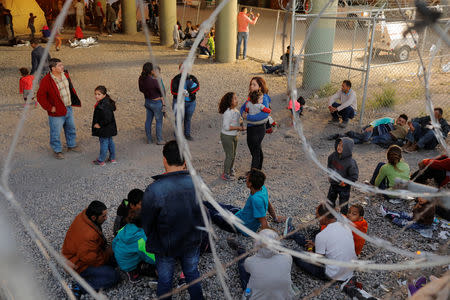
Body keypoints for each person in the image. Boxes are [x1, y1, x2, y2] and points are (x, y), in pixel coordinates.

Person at [141, 140, 204, 300]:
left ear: (164, 159)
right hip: (192, 239)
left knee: (165, 279)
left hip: (165, 245)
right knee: (191, 273)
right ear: (185, 162)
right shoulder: (197, 182)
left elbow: (147, 224)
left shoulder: (154, 189)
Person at [62, 201, 120, 298]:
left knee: (115, 259)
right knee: (113, 276)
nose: (106, 218)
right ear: (94, 217)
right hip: (76, 264)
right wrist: (108, 253)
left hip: (83, 254)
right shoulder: (88, 236)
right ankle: (77, 287)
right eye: (104, 216)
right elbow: (93, 260)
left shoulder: (85, 215)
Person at [286, 204, 357, 282]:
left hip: (333, 275)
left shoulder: (322, 236)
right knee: (313, 242)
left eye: (317, 216)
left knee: (296, 252)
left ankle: (284, 243)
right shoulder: (344, 223)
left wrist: (310, 249)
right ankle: (292, 234)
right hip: (349, 271)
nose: (317, 219)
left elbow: (316, 262)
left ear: (324, 217)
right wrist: (315, 245)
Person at [203, 168, 285, 235]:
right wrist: (275, 217)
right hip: (240, 214)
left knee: (210, 213)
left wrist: (276, 235)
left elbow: (264, 224)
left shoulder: (256, 200)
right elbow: (268, 204)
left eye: (247, 179)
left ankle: (195, 205)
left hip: (240, 226)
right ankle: (200, 202)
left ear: (250, 184)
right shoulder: (262, 188)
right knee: (215, 205)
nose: (245, 179)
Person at [226, 229, 295, 299]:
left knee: (244, 270)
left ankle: (241, 250)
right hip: (283, 297)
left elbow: (247, 271)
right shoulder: (287, 257)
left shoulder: (250, 261)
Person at [36, 58, 81, 159]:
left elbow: (70, 88)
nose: (62, 67)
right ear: (53, 68)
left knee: (71, 128)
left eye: (62, 65)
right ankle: (57, 150)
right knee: (55, 132)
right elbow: (40, 96)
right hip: (56, 111)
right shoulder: (46, 81)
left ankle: (71, 145)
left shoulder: (65, 74)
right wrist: (49, 108)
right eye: (60, 65)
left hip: (68, 107)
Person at [112, 213, 156, 283]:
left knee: (135, 250)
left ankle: (127, 264)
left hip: (120, 258)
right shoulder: (140, 239)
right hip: (128, 265)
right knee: (155, 266)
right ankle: (133, 273)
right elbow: (150, 257)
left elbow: (114, 242)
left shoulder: (125, 227)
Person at [240, 77, 271, 171]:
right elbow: (242, 108)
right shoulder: (251, 96)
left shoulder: (263, 97)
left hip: (258, 128)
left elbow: (265, 114)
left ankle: (253, 175)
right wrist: (243, 114)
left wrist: (248, 117)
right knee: (256, 149)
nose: (251, 86)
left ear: (260, 87)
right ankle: (257, 170)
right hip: (251, 127)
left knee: (255, 150)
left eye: (254, 84)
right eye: (251, 84)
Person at [329, 114, 409, 147]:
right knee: (365, 138)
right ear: (397, 118)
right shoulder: (390, 120)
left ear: (405, 124)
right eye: (399, 120)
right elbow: (377, 121)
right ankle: (350, 133)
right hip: (371, 129)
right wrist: (371, 126)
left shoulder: (398, 130)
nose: (400, 122)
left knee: (362, 141)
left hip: (373, 136)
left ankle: (341, 138)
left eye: (402, 122)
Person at [327, 137, 359, 215]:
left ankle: (343, 218)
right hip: (334, 183)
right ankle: (329, 215)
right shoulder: (333, 156)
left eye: (342, 146)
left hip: (344, 187)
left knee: (343, 204)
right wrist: (329, 174)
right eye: (339, 144)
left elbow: (354, 176)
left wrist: (346, 182)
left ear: (347, 148)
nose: (339, 147)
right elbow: (329, 165)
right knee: (330, 200)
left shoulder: (351, 163)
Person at [218, 92, 245, 181]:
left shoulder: (236, 111)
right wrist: (238, 127)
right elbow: (226, 127)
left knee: (233, 154)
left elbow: (239, 120)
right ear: (230, 101)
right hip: (227, 136)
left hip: (234, 135)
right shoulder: (227, 113)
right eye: (235, 98)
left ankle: (231, 168)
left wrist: (242, 121)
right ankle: (225, 173)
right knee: (229, 155)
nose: (237, 100)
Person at [170, 64, 200, 141]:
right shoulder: (175, 79)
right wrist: (182, 93)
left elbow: (197, 87)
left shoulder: (192, 78)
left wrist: (189, 92)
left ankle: (187, 134)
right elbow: (173, 91)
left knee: (188, 119)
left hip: (190, 102)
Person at [139, 62, 165, 145]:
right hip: (156, 102)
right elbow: (162, 91)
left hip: (147, 101)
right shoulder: (154, 80)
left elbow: (141, 90)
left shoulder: (141, 79)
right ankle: (160, 140)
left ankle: (149, 139)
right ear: (151, 71)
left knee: (148, 121)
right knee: (158, 121)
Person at [92, 85, 117, 166]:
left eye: (99, 94)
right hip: (109, 128)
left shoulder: (102, 105)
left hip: (104, 129)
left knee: (104, 143)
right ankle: (112, 158)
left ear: (104, 95)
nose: (96, 96)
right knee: (110, 142)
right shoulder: (107, 102)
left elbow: (107, 118)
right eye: (95, 94)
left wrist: (99, 124)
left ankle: (101, 160)